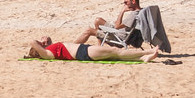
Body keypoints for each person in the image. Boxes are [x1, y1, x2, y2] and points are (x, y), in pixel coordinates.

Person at [75, 0, 141, 45]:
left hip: (118, 36)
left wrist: (122, 11)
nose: (125, 5)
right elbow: (119, 25)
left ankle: (70, 48)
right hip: (118, 32)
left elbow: (117, 26)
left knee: (88, 31)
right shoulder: (141, 12)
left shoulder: (134, 15)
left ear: (133, 1)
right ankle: (100, 46)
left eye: (126, 2)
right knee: (98, 20)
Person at [27, 36, 159, 63]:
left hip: (83, 51)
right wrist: (37, 44)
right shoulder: (47, 54)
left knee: (115, 55)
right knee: (115, 51)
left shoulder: (49, 49)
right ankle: (147, 52)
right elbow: (32, 41)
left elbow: (48, 38)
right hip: (83, 52)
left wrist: (43, 41)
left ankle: (142, 58)